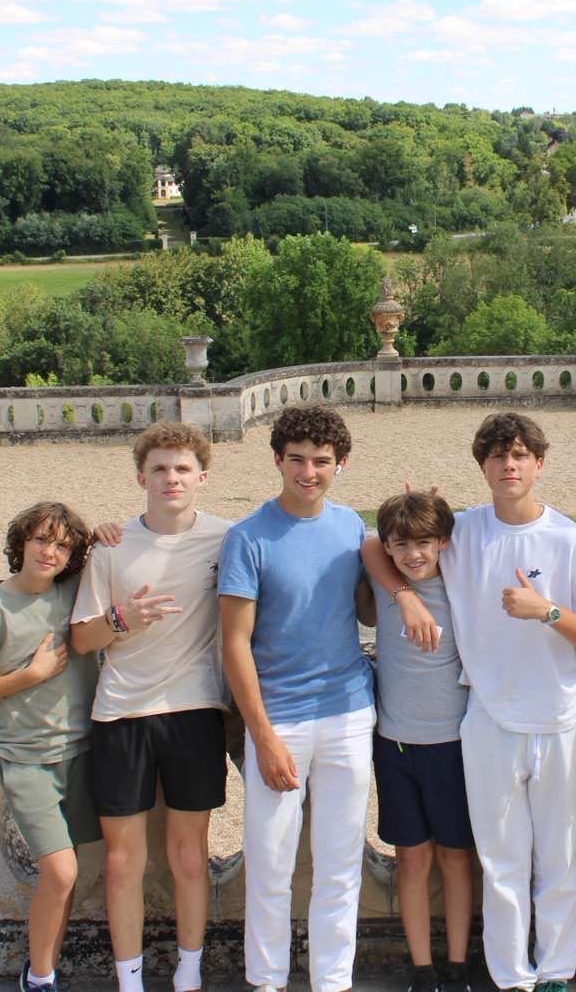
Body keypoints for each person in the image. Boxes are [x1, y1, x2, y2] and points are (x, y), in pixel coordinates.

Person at [368, 411, 576, 992]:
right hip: (487, 719)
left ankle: (554, 972)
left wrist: (547, 611)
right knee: (501, 862)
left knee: (555, 859)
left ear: (538, 464)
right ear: (482, 465)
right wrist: (405, 595)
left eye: (521, 454)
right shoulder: (464, 532)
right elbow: (376, 546)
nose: (509, 464)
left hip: (557, 718)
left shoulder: (568, 539)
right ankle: (510, 977)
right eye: (499, 455)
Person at [219, 404, 376, 992]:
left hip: (349, 712)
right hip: (279, 720)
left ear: (341, 464)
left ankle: (332, 982)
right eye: (298, 460)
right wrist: (262, 736)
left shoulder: (351, 529)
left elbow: (364, 609)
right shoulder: (248, 537)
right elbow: (234, 644)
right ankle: (267, 982)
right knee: (270, 864)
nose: (309, 472)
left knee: (340, 866)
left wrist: (419, 533)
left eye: (321, 461)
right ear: (277, 460)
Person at [71, 423, 231, 992]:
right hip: (120, 713)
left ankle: (189, 972)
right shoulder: (110, 546)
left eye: (183, 468)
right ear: (142, 477)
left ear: (202, 478)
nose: (171, 478)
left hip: (194, 711)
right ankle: (130, 980)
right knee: (122, 862)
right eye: (160, 469)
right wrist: (120, 621)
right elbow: (82, 639)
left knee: (189, 857)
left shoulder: (226, 539)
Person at [0, 501, 101, 992]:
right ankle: (37, 979)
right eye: (41, 539)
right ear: (21, 542)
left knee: (67, 877)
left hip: (80, 753)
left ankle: (46, 969)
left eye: (61, 545)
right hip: (25, 759)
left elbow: (111, 565)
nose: (50, 552)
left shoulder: (72, 593)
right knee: (60, 871)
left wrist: (103, 535)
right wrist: (29, 675)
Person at [371, 489, 476, 992]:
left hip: (453, 746)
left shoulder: (460, 584)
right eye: (402, 545)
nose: (413, 555)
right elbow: (368, 544)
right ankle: (421, 968)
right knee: (412, 858)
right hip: (395, 745)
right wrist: (402, 594)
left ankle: (457, 964)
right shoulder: (384, 579)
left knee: (456, 857)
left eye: (424, 543)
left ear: (442, 543)